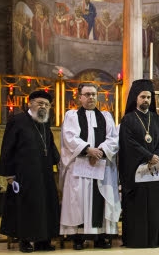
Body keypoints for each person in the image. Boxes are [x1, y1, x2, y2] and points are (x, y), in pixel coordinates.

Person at [59, 83, 120, 250]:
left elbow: (113, 138)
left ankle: (100, 236)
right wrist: (87, 150)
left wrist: (100, 151)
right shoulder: (71, 116)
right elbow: (69, 137)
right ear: (80, 97)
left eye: (93, 94)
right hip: (80, 166)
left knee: (100, 198)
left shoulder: (106, 116)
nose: (91, 97)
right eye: (87, 94)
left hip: (100, 165)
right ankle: (78, 238)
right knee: (78, 201)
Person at [0, 90, 60, 253]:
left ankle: (43, 241)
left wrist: (58, 160)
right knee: (26, 207)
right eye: (40, 103)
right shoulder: (17, 120)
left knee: (45, 206)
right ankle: (25, 241)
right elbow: (7, 147)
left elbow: (50, 143)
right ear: (29, 103)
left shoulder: (45, 121)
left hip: (45, 171)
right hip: (24, 173)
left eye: (47, 105)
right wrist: (9, 174)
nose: (44, 107)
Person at [118, 79, 159, 248]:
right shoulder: (128, 120)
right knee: (137, 207)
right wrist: (148, 155)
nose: (146, 100)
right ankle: (136, 239)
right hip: (136, 173)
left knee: (155, 206)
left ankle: (156, 239)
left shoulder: (157, 120)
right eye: (142, 97)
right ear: (135, 98)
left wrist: (158, 155)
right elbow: (129, 143)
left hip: (155, 171)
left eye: (148, 97)